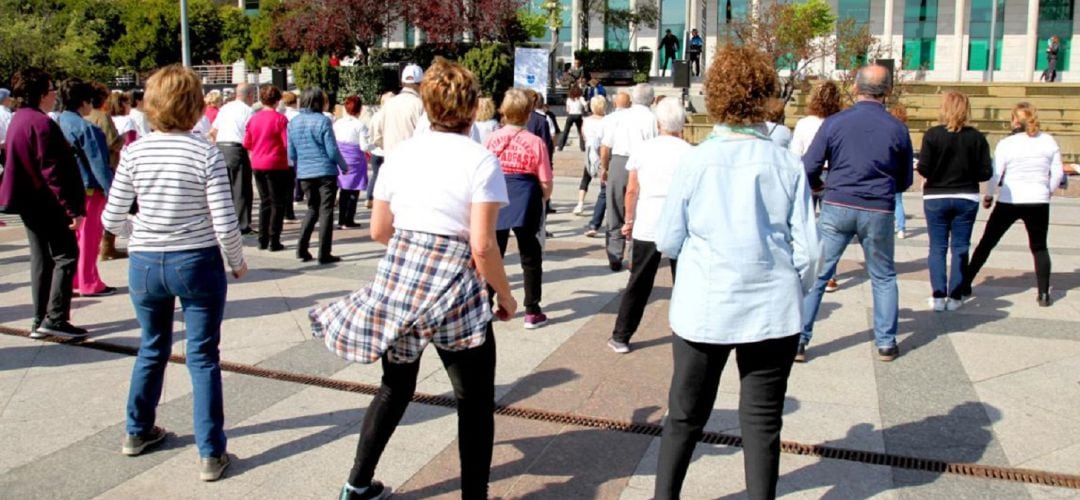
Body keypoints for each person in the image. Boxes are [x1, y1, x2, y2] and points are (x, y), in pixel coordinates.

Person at [309, 59, 516, 500]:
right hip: (458, 290)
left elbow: (379, 230)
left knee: (395, 386)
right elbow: (483, 245)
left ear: (427, 103)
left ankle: (357, 483)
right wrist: (506, 294)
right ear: (473, 107)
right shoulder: (481, 160)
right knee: (474, 402)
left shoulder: (401, 156)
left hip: (403, 279)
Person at [652, 45, 819, 500]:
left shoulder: (696, 160)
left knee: (684, 416)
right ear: (765, 95)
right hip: (771, 308)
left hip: (706, 305)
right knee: (763, 421)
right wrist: (787, 282)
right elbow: (809, 250)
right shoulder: (785, 162)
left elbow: (668, 239)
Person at [102, 65, 247, 482]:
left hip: (146, 261)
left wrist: (141, 234)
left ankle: (137, 429)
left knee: (152, 347)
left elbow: (113, 218)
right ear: (194, 105)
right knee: (202, 357)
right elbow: (224, 221)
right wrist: (236, 261)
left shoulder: (134, 152)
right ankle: (210, 453)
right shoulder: (204, 152)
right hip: (196, 260)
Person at [800, 64, 914, 363]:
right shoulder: (897, 128)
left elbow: (809, 164)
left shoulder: (835, 123)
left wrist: (818, 186)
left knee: (820, 274)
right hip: (877, 206)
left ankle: (800, 339)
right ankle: (886, 342)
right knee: (883, 276)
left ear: (855, 87)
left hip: (838, 202)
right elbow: (905, 179)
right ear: (887, 91)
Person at [0, 68, 88, 339]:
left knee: (41, 258)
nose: (54, 94)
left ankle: (40, 318)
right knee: (66, 255)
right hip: (46, 201)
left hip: (27, 200)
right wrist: (72, 208)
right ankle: (55, 317)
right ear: (40, 93)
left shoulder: (19, 119)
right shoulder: (41, 123)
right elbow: (53, 171)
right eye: (51, 89)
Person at [607, 98, 690, 354]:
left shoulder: (644, 149)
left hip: (649, 219)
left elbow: (632, 190)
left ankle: (621, 335)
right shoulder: (690, 152)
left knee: (639, 281)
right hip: (680, 221)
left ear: (658, 122)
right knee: (685, 282)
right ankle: (686, 333)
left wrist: (629, 220)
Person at [963, 102, 1063, 307]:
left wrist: (989, 196)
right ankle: (1044, 293)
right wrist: (1048, 191)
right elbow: (1058, 173)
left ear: (1015, 120)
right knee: (1039, 247)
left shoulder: (1007, 143)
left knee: (987, 242)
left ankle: (966, 282)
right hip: (1038, 199)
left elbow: (996, 174)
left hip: (1010, 198)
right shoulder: (1048, 141)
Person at [484, 88, 553, 330]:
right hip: (526, 195)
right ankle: (532, 309)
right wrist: (544, 197)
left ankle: (486, 303)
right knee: (530, 255)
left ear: (503, 111)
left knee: (493, 252)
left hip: (497, 195)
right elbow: (545, 179)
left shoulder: (492, 139)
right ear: (527, 113)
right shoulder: (535, 142)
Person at [917, 91, 992, 311]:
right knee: (960, 247)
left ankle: (938, 295)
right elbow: (985, 172)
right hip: (966, 196)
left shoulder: (932, 135)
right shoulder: (977, 137)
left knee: (937, 248)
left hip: (936, 196)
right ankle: (956, 295)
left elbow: (924, 168)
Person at [57, 78, 116, 298]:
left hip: (63, 189)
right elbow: (99, 164)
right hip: (89, 190)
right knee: (89, 238)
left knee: (72, 239)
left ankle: (73, 278)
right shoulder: (86, 128)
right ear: (84, 101)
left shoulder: (57, 123)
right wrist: (112, 191)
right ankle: (89, 281)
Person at [789, 80, 843, 293]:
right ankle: (830, 276)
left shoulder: (804, 123)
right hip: (833, 174)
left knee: (803, 225)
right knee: (832, 230)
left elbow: (796, 153)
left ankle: (802, 270)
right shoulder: (840, 121)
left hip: (808, 172)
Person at [288, 88, 349, 264]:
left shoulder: (294, 122)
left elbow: (292, 153)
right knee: (326, 211)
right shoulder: (323, 121)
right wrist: (343, 166)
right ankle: (324, 252)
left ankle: (301, 248)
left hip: (305, 173)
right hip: (325, 172)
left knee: (312, 208)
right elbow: (331, 150)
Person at [601, 85, 657, 271]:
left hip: (619, 160)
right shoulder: (652, 119)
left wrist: (605, 166)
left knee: (615, 207)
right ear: (652, 99)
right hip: (643, 162)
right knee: (638, 209)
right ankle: (634, 256)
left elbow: (606, 144)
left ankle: (614, 253)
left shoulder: (620, 117)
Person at [242, 84, 291, 251]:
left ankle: (262, 239)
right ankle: (274, 239)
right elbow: (287, 144)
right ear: (277, 101)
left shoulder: (253, 119)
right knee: (278, 202)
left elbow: (247, 143)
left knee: (265, 201)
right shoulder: (280, 119)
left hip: (257, 162)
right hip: (276, 163)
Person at [87, 82, 129, 261]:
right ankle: (107, 246)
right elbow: (112, 142)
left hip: (88, 169)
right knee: (109, 207)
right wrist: (123, 139)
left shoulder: (85, 116)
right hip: (108, 166)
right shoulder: (102, 117)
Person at [210, 82, 256, 234]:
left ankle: (224, 221)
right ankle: (242, 224)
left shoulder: (225, 108)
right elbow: (250, 134)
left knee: (224, 187)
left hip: (221, 147)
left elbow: (213, 130)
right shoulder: (248, 111)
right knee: (241, 187)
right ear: (250, 96)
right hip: (237, 148)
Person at [334, 95, 371, 229]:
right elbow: (363, 146)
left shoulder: (338, 123)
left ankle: (341, 219)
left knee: (343, 190)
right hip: (355, 160)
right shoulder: (360, 125)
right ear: (360, 109)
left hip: (341, 159)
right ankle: (349, 219)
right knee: (353, 190)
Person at [375, 64, 425, 154]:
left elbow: (377, 135)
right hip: (413, 160)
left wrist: (388, 147)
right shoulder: (421, 105)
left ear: (402, 83)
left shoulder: (388, 104)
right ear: (421, 84)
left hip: (390, 160)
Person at [575, 94, 609, 218]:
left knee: (586, 177)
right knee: (604, 178)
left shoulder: (587, 120)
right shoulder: (608, 120)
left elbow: (583, 135)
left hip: (590, 151)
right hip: (605, 149)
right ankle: (603, 205)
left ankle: (580, 203)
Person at [366, 92, 395, 209]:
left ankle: (370, 198)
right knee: (382, 176)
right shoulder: (386, 116)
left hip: (376, 151)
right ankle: (375, 199)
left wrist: (371, 149)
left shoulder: (376, 115)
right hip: (384, 150)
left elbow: (370, 135)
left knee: (376, 175)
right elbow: (377, 136)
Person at [890, 104, 910, 239]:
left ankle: (891, 225)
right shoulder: (905, 131)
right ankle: (901, 228)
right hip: (899, 171)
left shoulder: (889, 129)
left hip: (889, 170)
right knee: (898, 201)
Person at [557, 85, 587, 152]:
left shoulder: (569, 99)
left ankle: (560, 147)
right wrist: (585, 110)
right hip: (578, 115)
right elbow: (585, 104)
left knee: (566, 131)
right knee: (581, 132)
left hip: (571, 115)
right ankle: (582, 147)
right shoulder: (581, 98)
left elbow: (567, 109)